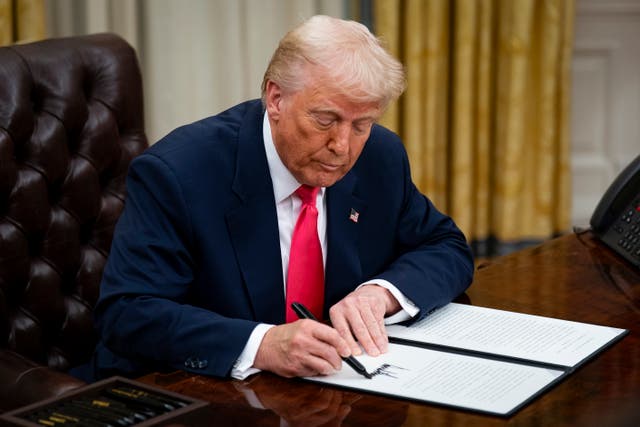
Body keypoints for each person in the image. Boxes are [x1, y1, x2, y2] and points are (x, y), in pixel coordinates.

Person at [80, 15, 474, 382]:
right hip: (188, 394)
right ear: (276, 99)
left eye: (362, 124)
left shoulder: (380, 158)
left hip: (333, 391)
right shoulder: (179, 173)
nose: (342, 146)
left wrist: (382, 292)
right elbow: (127, 313)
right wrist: (260, 344)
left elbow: (446, 246)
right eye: (325, 120)